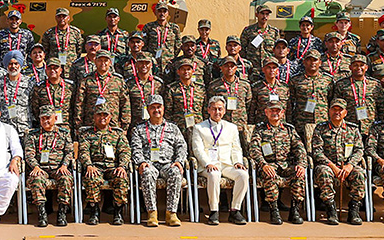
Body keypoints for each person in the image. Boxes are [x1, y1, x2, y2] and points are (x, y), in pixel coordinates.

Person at [190, 96, 249, 225]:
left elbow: (236, 148)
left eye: (220, 109)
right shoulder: (199, 128)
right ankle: (214, 210)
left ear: (224, 111)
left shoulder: (232, 127)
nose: (217, 112)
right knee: (214, 174)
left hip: (227, 164)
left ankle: (235, 210)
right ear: (208, 110)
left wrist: (238, 162)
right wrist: (207, 163)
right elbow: (197, 149)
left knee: (243, 175)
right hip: (208, 166)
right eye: (214, 109)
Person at [131, 95, 188, 227]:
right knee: (146, 172)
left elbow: (181, 146)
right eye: (153, 108)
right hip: (149, 163)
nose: (156, 110)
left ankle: (171, 214)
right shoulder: (139, 129)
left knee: (175, 172)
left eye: (159, 107)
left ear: (163, 109)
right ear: (148, 110)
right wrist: (140, 162)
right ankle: (152, 213)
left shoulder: (173, 128)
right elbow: (136, 148)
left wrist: (179, 161)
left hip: (168, 164)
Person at [249, 101, 307, 224]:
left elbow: (300, 149)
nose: (275, 113)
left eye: (277, 111)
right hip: (268, 165)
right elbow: (254, 149)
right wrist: (263, 164)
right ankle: (274, 210)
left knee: (299, 174)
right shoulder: (260, 129)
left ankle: (295, 210)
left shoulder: (289, 129)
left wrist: (301, 164)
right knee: (270, 174)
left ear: (282, 113)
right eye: (272, 110)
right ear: (266, 112)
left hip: (286, 165)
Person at [311, 98, 367, 225]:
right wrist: (332, 166)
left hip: (348, 166)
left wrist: (350, 165)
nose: (337, 112)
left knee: (359, 173)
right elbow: (317, 152)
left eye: (340, 110)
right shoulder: (320, 129)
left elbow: (359, 150)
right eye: (334, 109)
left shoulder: (353, 129)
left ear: (345, 113)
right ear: (329, 111)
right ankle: (331, 211)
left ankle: (354, 210)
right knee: (323, 172)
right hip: (328, 166)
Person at [79, 105, 130, 225]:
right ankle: (94, 211)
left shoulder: (118, 134)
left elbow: (125, 151)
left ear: (110, 117)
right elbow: (83, 151)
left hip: (113, 167)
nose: (102, 118)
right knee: (91, 178)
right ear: (94, 117)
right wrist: (89, 165)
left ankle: (118, 212)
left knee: (121, 178)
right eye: (99, 115)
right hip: (95, 167)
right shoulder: (86, 134)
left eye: (105, 115)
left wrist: (122, 166)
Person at [23, 106, 73, 227]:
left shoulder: (64, 133)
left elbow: (69, 152)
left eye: (48, 118)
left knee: (66, 179)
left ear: (55, 118)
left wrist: (64, 165)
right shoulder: (32, 135)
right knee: (36, 179)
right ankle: (42, 213)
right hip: (41, 169)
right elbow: (29, 153)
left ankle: (62, 213)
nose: (45, 121)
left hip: (58, 168)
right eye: (43, 118)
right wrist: (35, 166)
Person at [328, 54, 383, 134]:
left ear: (366, 68)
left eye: (361, 65)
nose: (358, 68)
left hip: (370, 127)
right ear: (350, 67)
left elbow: (380, 106)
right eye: (355, 65)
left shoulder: (375, 84)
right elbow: (336, 106)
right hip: (349, 127)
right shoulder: (341, 84)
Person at [288, 50, 333, 142]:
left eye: (315, 60)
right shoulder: (295, 80)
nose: (312, 63)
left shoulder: (327, 80)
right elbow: (290, 102)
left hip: (322, 122)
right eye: (309, 60)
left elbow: (331, 99)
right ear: (304, 62)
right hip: (302, 122)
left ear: (320, 63)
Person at [77, 51, 128, 131]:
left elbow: (125, 103)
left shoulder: (118, 81)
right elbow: (80, 103)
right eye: (100, 60)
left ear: (110, 62)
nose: (103, 63)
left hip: (112, 125)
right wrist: (78, 124)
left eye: (106, 60)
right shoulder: (87, 80)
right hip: (91, 124)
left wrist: (124, 126)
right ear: (95, 61)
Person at [141, 1, 180, 71]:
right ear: (155, 13)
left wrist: (170, 57)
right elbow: (144, 45)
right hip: (152, 63)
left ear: (168, 13)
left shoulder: (174, 28)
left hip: (169, 64)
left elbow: (178, 46)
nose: (162, 14)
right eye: (159, 11)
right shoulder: (149, 27)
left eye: (164, 11)